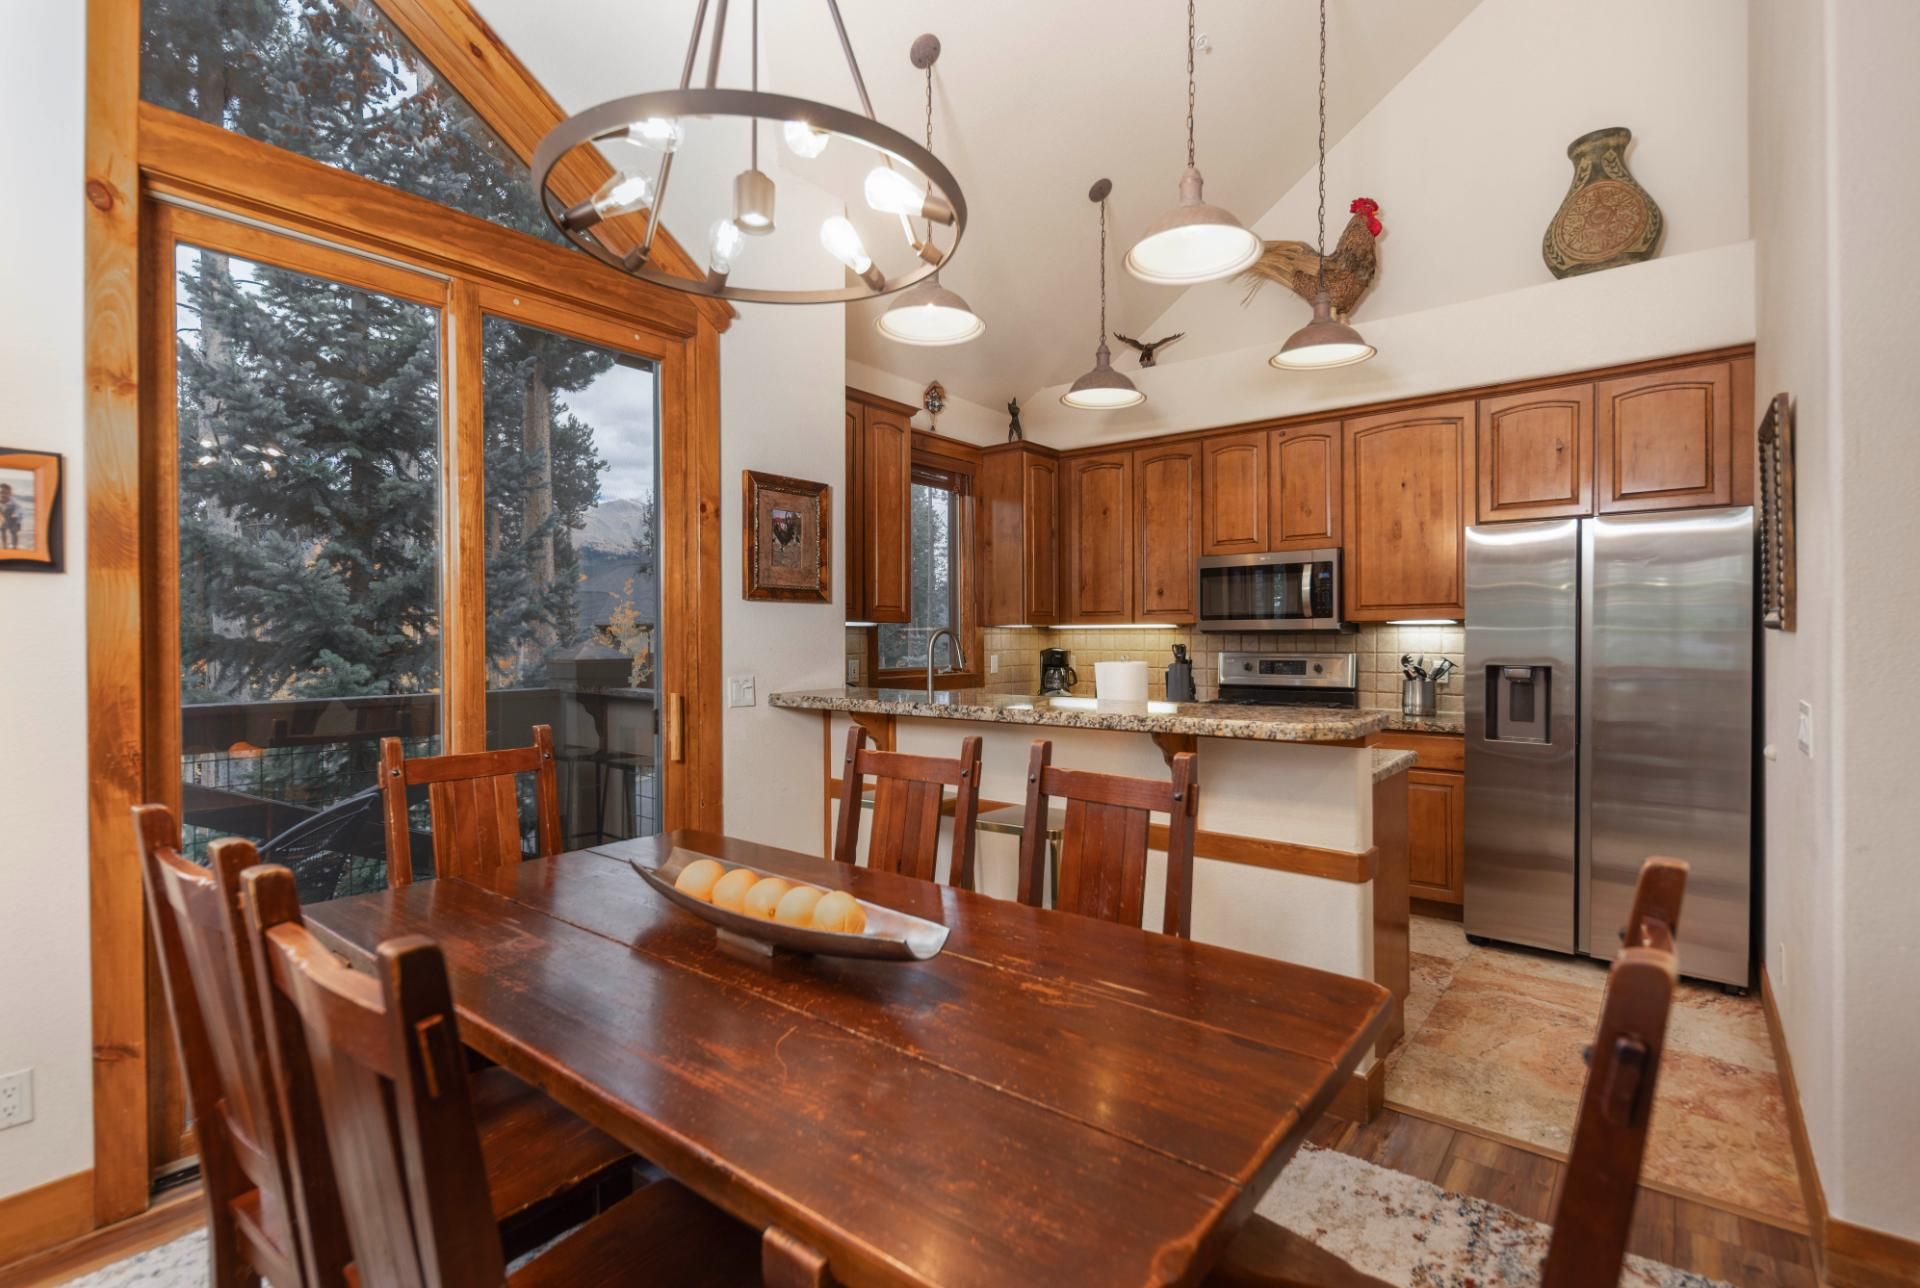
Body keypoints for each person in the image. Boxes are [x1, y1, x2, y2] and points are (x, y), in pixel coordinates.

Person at [0, 482, 21, 549]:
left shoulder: (14, 503)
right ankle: (4, 546)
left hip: (13, 519)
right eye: (1, 492)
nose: (3, 495)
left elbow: (19, 513)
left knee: (13, 532)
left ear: (10, 494)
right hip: (3, 518)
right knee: (3, 531)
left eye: (6, 493)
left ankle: (14, 546)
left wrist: (18, 523)